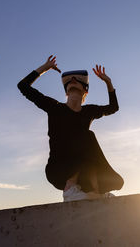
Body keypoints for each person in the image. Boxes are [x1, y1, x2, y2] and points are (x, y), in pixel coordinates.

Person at [17, 55, 124, 202]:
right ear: (66, 91)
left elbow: (113, 108)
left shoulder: (88, 112)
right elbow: (23, 86)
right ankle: (70, 189)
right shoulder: (54, 107)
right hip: (59, 169)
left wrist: (108, 82)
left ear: (85, 91)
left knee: (88, 139)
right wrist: (44, 68)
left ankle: (96, 192)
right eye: (70, 82)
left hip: (83, 170)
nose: (73, 82)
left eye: (77, 81)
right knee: (87, 136)